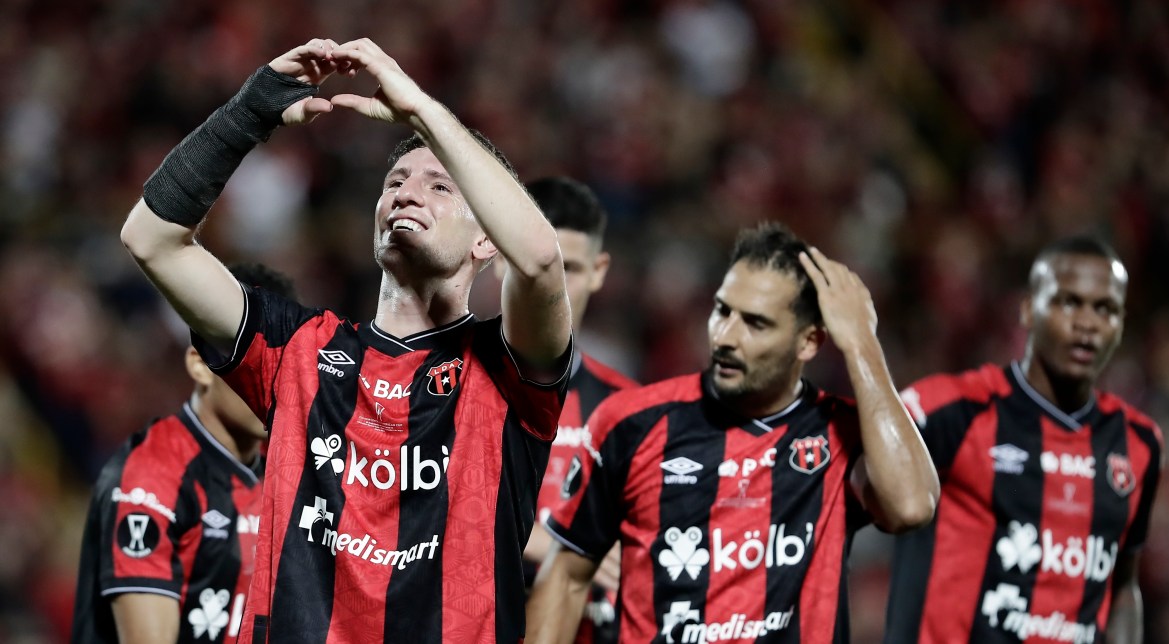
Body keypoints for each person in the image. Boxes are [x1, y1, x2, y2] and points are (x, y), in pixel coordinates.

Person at [119, 38, 572, 643]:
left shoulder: (511, 373)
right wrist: (253, 107)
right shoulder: (297, 350)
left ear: (486, 240)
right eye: (396, 180)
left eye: (440, 186)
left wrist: (423, 113)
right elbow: (151, 238)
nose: (406, 192)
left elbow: (540, 260)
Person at [526, 222, 939, 643]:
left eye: (756, 324)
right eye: (723, 311)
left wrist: (861, 344)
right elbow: (566, 577)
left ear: (809, 342)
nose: (726, 337)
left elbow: (910, 507)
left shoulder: (839, 432)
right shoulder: (633, 423)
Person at [884, 236, 1164, 644]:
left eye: (1105, 309)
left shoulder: (1138, 443)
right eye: (1069, 302)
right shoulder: (953, 410)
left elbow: (1123, 586)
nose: (1087, 323)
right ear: (1029, 310)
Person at [72, 263, 296, 644]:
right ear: (201, 365)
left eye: (281, 359)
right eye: (251, 360)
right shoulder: (150, 476)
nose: (272, 380)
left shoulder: (292, 472)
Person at [500, 177, 638, 643]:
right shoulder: (442, 385)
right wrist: (560, 547)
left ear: (600, 271)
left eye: (570, 269)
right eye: (537, 268)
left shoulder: (631, 411)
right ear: (499, 258)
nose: (552, 288)